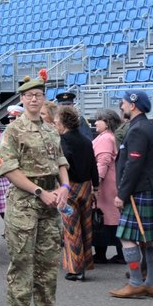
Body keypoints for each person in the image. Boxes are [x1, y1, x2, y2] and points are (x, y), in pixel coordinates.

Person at [0, 71, 72, 306]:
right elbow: (8, 169)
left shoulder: (51, 129)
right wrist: (40, 192)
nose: (33, 99)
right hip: (26, 203)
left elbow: (61, 161)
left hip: (51, 202)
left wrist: (65, 188)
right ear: (22, 99)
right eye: (28, 95)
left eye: (38, 95)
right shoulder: (13, 131)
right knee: (21, 266)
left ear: (44, 98)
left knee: (48, 266)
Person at [108, 91, 153, 299]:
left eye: (123, 103)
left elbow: (133, 165)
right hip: (152, 188)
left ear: (133, 105)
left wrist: (122, 194)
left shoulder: (137, 130)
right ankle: (151, 284)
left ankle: (135, 282)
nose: (121, 107)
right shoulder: (151, 128)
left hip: (140, 190)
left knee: (126, 237)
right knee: (152, 239)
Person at [56, 105, 97, 281]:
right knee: (86, 226)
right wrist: (96, 187)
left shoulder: (62, 141)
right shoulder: (86, 140)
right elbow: (93, 165)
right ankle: (86, 262)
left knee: (71, 227)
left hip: (69, 187)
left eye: (57, 122)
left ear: (64, 123)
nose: (55, 125)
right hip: (86, 186)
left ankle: (75, 268)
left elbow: (62, 165)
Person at [91, 108, 123, 264]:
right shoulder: (110, 137)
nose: (95, 122)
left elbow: (102, 162)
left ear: (107, 122)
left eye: (99, 120)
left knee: (103, 220)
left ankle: (101, 254)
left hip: (105, 186)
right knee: (112, 219)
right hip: (111, 184)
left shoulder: (105, 138)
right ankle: (119, 253)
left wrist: (95, 184)